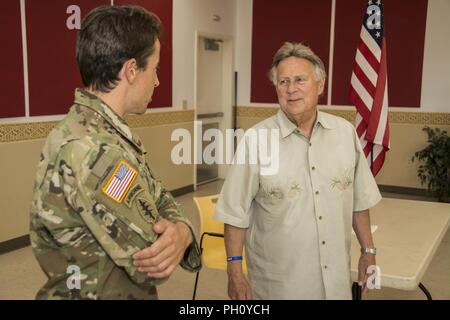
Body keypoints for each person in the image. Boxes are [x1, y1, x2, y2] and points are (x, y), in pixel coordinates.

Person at [29, 5, 201, 300]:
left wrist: (182, 231)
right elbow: (152, 261)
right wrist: (182, 232)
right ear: (131, 70)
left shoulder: (99, 131)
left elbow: (157, 196)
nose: (158, 81)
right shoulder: (95, 152)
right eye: (155, 68)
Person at [214, 42, 381, 300]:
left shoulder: (345, 134)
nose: (291, 89)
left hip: (335, 283)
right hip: (279, 287)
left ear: (320, 85)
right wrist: (234, 272)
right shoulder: (255, 141)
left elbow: (360, 200)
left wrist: (368, 250)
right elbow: (235, 213)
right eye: (283, 82)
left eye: (300, 80)